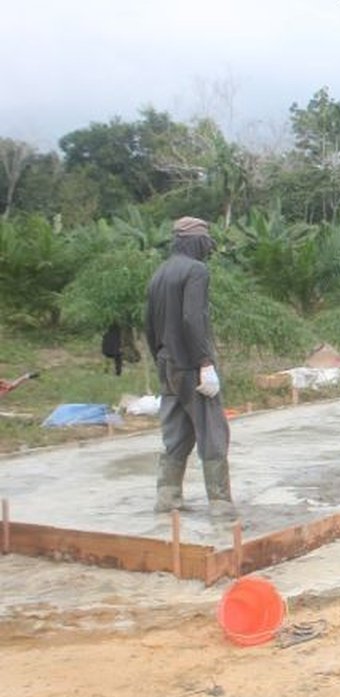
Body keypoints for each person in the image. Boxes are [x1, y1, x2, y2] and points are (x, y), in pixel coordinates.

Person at [145, 216, 235, 519]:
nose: (208, 249)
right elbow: (192, 319)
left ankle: (167, 497)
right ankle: (220, 502)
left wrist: (160, 356)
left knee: (177, 431)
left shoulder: (160, 273)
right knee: (212, 429)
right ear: (196, 241)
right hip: (190, 365)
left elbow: (149, 324)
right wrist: (204, 363)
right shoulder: (196, 271)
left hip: (165, 362)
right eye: (205, 242)